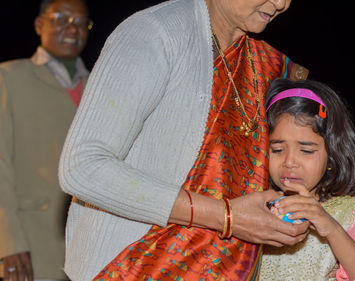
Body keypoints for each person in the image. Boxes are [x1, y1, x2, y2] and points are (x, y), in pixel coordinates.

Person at [58, 0, 311, 280]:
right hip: (132, 266)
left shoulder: (262, 63)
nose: (281, 3)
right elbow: (82, 167)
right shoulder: (155, 33)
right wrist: (226, 216)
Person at [259, 79, 355, 280]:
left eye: (306, 151)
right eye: (277, 149)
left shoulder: (350, 211)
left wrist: (330, 227)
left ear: (332, 154)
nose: (289, 162)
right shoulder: (254, 206)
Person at [0, 0, 91, 280]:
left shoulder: (98, 85)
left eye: (81, 22)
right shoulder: (9, 76)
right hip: (34, 237)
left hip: (91, 240)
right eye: (61, 18)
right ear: (40, 25)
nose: (72, 29)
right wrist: (8, 242)